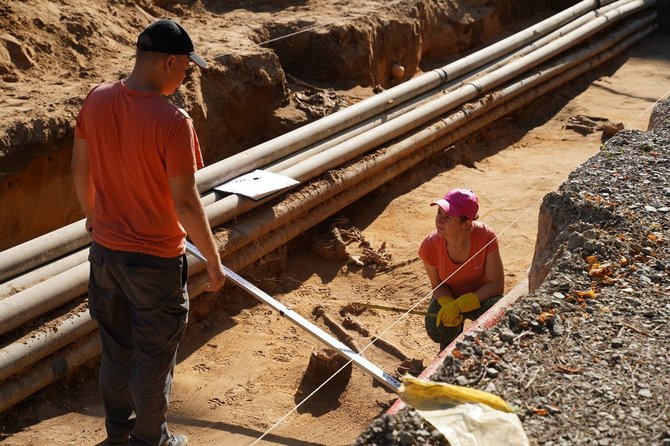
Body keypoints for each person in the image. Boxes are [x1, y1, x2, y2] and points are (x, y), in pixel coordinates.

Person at [71, 19, 226, 446]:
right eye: (185, 68)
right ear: (169, 62)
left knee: (116, 350)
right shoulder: (173, 122)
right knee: (154, 358)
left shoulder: (97, 99)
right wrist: (213, 260)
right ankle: (150, 440)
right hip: (155, 263)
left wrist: (93, 217)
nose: (186, 76)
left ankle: (118, 433)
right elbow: (186, 201)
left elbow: (79, 169)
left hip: (104, 256)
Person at [419, 188, 504, 351]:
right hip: (451, 297)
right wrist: (450, 304)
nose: (439, 220)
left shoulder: (486, 236)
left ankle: (486, 350)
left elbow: (496, 285)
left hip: (482, 297)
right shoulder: (429, 245)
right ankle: (452, 337)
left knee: (499, 311)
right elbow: (437, 285)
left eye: (447, 217)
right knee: (435, 328)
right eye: (439, 212)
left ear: (466, 224)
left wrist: (463, 305)